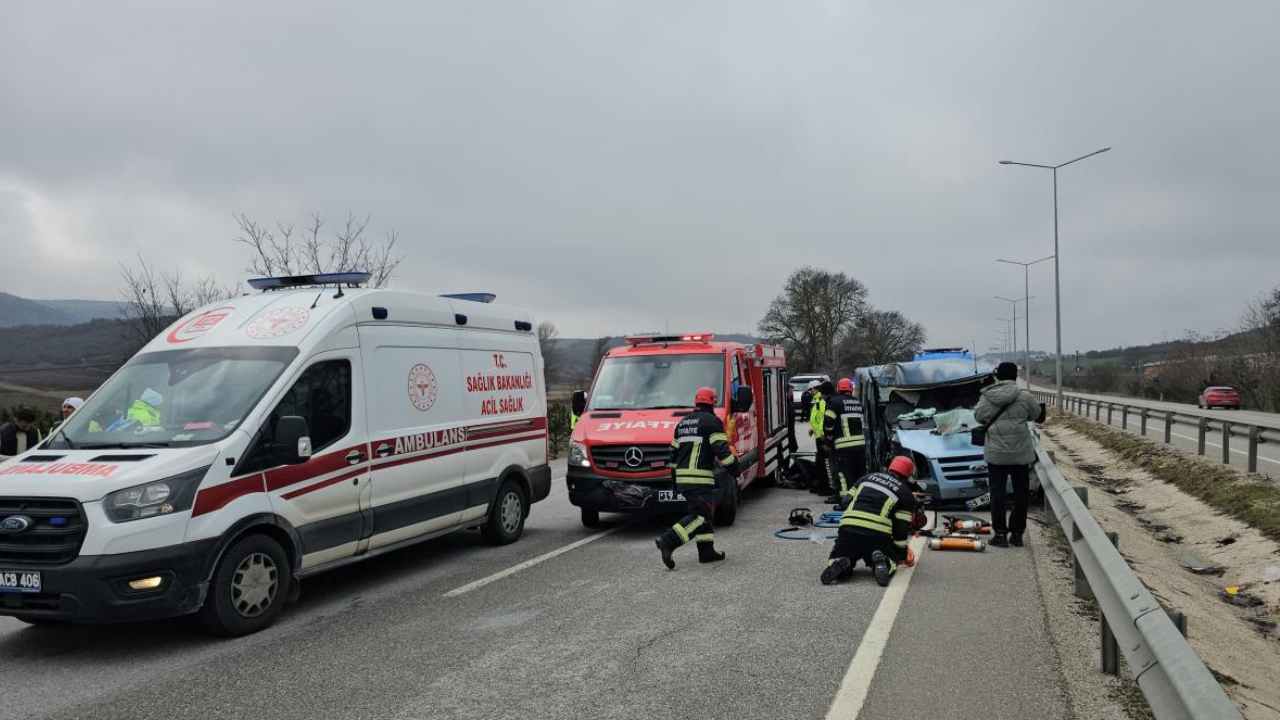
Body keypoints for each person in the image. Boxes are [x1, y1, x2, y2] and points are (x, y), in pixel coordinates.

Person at [655, 386, 743, 569]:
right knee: (700, 517)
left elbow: (673, 454)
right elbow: (721, 449)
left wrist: (674, 480)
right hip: (700, 479)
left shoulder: (682, 424)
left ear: (696, 402)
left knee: (706, 515)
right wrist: (735, 469)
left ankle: (706, 552)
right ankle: (668, 541)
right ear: (712, 402)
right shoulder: (712, 422)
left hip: (683, 478)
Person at [821, 455, 920, 587]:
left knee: (837, 556)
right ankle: (882, 561)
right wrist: (900, 554)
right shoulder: (906, 493)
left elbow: (845, 502)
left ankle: (843, 561)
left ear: (889, 468)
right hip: (877, 534)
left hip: (849, 529)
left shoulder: (867, 477)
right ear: (908, 475)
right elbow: (901, 528)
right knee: (890, 561)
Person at [973, 362, 1043, 548]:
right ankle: (1017, 534)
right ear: (1015, 376)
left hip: (996, 454)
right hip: (1020, 454)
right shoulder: (1025, 396)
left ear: (997, 376)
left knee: (998, 494)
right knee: (1021, 494)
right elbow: (1035, 414)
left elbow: (978, 417)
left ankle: (1000, 534)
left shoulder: (987, 396)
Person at [824, 378, 866, 505]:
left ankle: (845, 500)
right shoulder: (857, 402)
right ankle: (858, 499)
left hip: (844, 445)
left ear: (838, 388)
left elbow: (828, 422)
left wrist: (828, 439)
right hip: (860, 444)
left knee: (843, 474)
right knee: (858, 473)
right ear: (850, 389)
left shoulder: (834, 402)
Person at [809, 380, 839, 503]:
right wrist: (813, 430)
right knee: (820, 463)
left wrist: (822, 434)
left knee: (824, 463)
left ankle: (826, 487)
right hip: (819, 436)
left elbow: (825, 420)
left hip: (822, 437)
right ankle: (822, 485)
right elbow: (818, 419)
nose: (810, 392)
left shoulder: (821, 402)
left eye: (812, 389)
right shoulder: (817, 401)